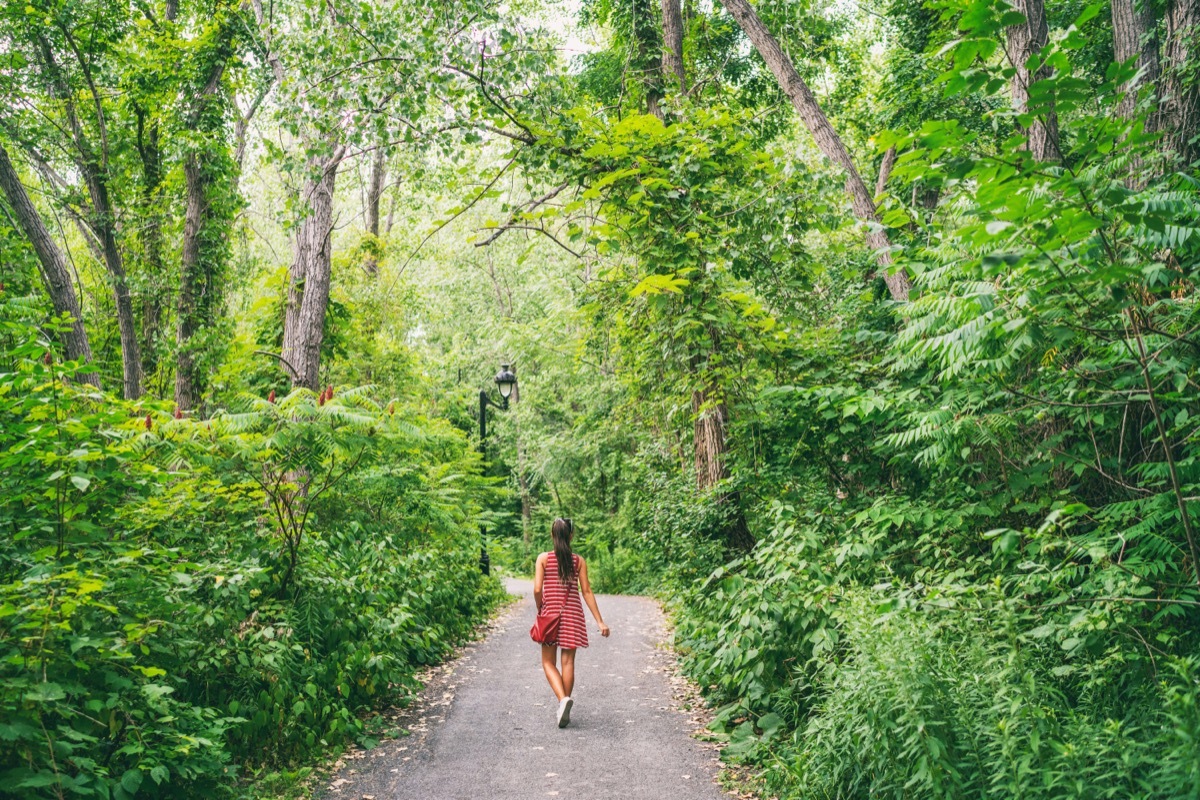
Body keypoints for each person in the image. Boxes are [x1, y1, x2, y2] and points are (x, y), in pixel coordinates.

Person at [533, 518, 610, 728]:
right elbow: (586, 591)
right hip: (573, 614)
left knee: (548, 662)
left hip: (550, 615)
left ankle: (562, 701)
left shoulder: (543, 559)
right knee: (568, 662)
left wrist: (541, 607)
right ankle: (564, 705)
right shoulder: (579, 561)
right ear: (571, 536)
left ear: (552, 535)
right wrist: (600, 621)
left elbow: (538, 589)